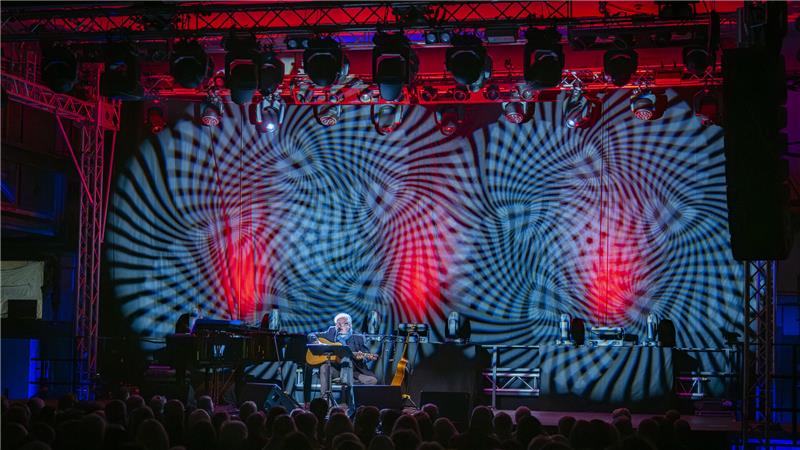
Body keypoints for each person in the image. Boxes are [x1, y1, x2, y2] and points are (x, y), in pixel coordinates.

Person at [308, 313, 378, 410]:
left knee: (372, 380)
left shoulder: (358, 337)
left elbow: (366, 354)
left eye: (345, 323)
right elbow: (311, 334)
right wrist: (317, 342)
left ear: (350, 325)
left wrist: (363, 357)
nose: (342, 326)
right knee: (324, 367)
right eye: (339, 324)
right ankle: (325, 400)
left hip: (353, 371)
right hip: (336, 370)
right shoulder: (331, 332)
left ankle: (355, 401)